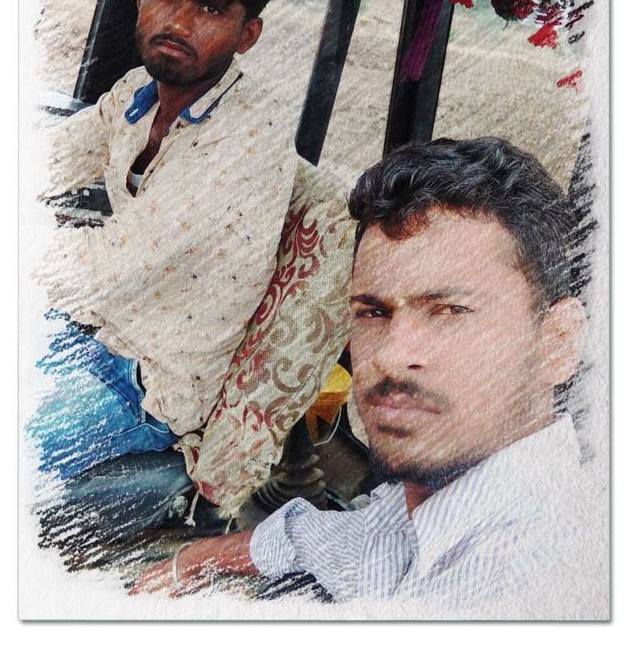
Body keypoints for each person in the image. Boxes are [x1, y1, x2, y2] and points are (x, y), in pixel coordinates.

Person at [130, 136, 604, 618]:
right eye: (374, 312)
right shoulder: (438, 504)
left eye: (450, 311)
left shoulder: (532, 587)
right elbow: (341, 539)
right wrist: (194, 561)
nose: (392, 358)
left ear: (558, 341)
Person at [34, 0, 298, 480]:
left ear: (247, 34)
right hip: (87, 329)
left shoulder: (250, 134)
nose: (178, 22)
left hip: (145, 384)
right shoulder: (137, 90)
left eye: (209, 6)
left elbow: (106, 266)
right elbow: (42, 162)